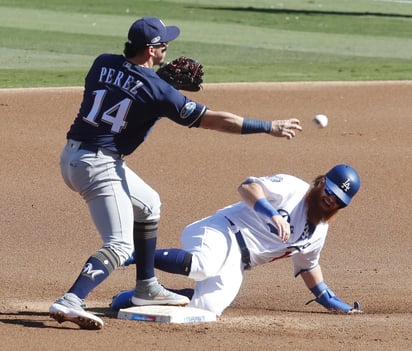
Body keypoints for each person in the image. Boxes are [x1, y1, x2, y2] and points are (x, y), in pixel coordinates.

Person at [48, 16, 302, 330]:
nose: (167, 46)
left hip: (73, 156)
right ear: (152, 49)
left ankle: (146, 287)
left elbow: (126, 93)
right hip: (98, 166)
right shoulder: (159, 91)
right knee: (119, 244)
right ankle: (71, 300)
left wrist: (159, 85)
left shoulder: (102, 63)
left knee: (149, 204)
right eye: (163, 42)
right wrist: (268, 127)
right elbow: (214, 120)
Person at [111, 164, 364, 316]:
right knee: (203, 265)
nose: (331, 199)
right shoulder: (293, 188)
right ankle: (134, 254)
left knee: (205, 310)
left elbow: (309, 266)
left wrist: (333, 303)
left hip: (238, 264)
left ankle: (138, 297)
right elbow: (247, 187)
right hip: (222, 230)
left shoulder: (318, 233)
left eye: (339, 200)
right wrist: (272, 213)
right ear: (321, 182)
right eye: (330, 191)